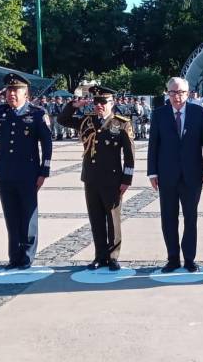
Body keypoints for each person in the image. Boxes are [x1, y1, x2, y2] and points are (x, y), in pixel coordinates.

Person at [0, 73, 52, 270]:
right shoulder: (1, 111)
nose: (11, 94)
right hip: (4, 172)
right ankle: (14, 255)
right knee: (11, 215)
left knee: (28, 215)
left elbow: (47, 143)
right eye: (9, 90)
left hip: (28, 173)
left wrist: (44, 170)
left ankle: (27, 256)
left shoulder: (36, 113)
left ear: (25, 94)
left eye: (15, 90)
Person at [58, 85, 134, 271]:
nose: (99, 105)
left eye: (103, 102)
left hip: (113, 179)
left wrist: (126, 180)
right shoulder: (87, 121)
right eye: (96, 102)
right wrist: (74, 105)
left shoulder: (121, 123)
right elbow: (62, 119)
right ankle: (100, 255)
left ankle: (113, 256)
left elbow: (129, 155)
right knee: (96, 218)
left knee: (113, 219)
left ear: (112, 103)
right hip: (91, 178)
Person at [147, 77, 203, 273]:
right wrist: (152, 172)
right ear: (167, 93)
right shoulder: (159, 114)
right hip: (166, 175)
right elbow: (153, 145)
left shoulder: (199, 113)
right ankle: (173, 258)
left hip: (192, 175)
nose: (177, 97)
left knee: (190, 218)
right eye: (173, 92)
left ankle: (190, 258)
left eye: (181, 92)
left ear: (188, 93)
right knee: (168, 218)